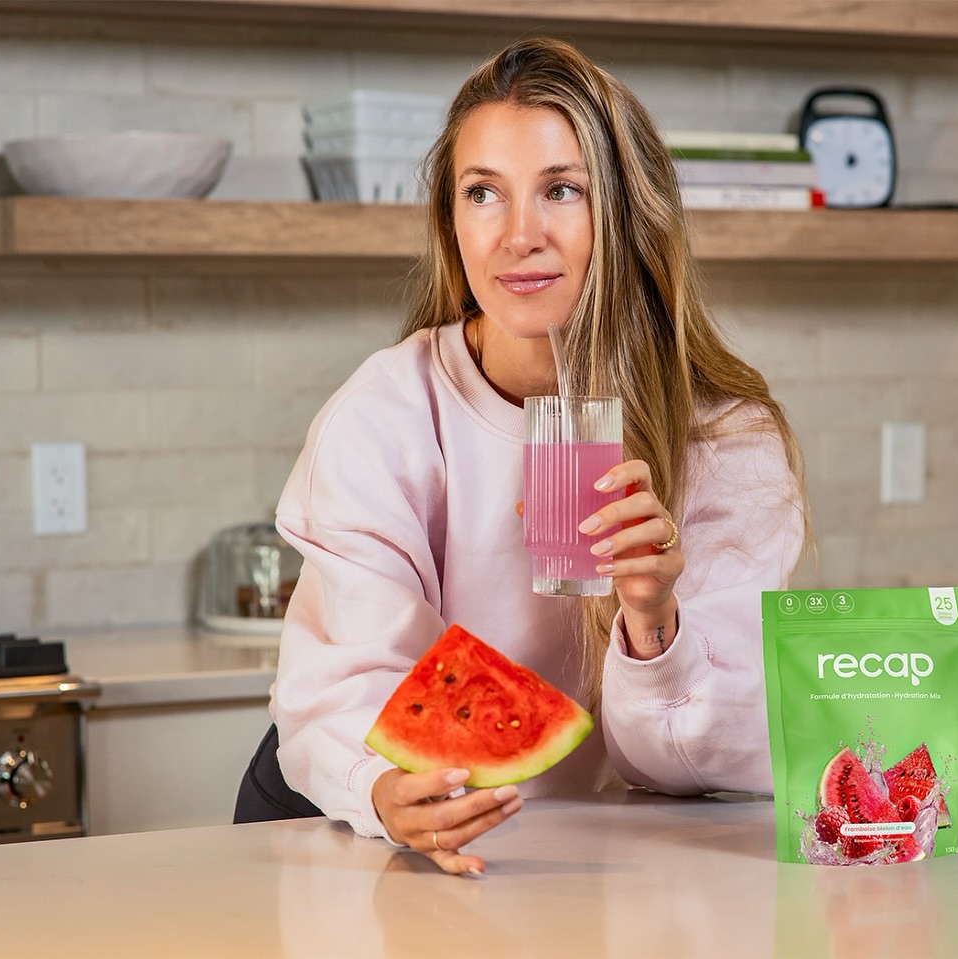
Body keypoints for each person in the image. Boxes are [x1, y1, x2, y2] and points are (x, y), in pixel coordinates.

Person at [270, 36, 808, 876]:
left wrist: (653, 619)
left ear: (626, 213)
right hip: (378, 835)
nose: (519, 236)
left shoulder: (726, 437)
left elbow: (706, 759)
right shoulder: (383, 413)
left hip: (610, 867)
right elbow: (345, 690)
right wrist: (381, 787)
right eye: (483, 193)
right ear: (452, 221)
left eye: (561, 190)